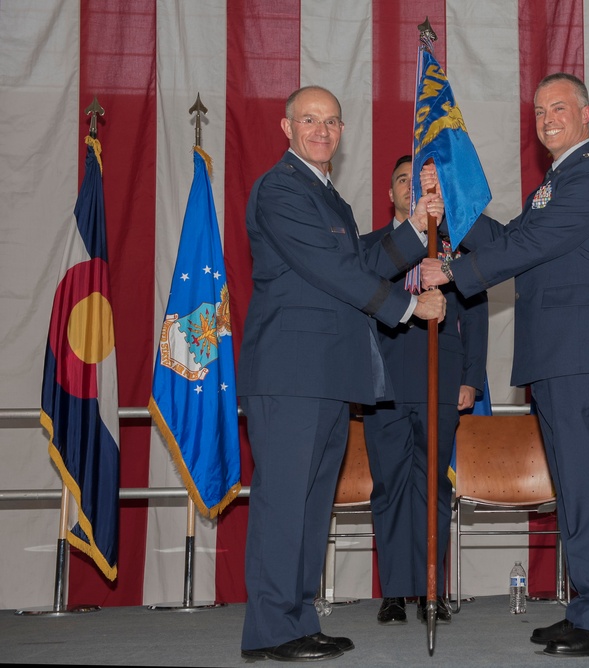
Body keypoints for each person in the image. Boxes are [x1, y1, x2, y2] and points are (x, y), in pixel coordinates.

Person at [420, 72, 589, 658]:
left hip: (582, 348)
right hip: (557, 351)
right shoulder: (557, 181)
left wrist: (454, 271)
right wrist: (455, 213)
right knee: (573, 486)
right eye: (540, 109)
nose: (547, 117)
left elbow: (531, 247)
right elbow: (514, 234)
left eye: (559, 107)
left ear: (587, 113)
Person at [237, 86, 446, 662]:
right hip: (291, 373)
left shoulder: (328, 196)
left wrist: (412, 227)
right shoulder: (281, 188)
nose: (321, 131)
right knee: (284, 504)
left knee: (308, 507)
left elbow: (360, 264)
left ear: (343, 130)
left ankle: (297, 620)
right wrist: (407, 307)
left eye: (331, 121)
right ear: (287, 128)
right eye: (310, 120)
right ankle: (272, 631)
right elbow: (333, 272)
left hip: (327, 375)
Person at [360, 155, 488, 625]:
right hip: (385, 382)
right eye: (401, 181)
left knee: (433, 486)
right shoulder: (370, 248)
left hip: (442, 379)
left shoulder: (454, 249)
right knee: (390, 486)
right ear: (391, 192)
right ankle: (396, 592)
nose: (409, 188)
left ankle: (432, 590)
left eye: (418, 182)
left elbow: (474, 315)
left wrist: (472, 378)